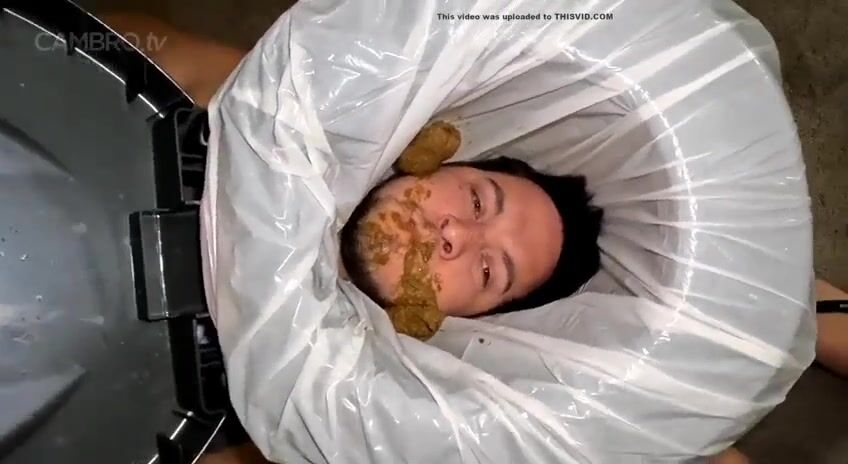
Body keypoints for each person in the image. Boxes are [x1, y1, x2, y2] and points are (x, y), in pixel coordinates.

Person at [102, 13, 847, 464]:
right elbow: (94, 45)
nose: (455, 233)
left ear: (454, 328)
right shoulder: (259, 110)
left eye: (491, 271)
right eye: (478, 199)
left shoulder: (273, 428)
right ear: (433, 156)